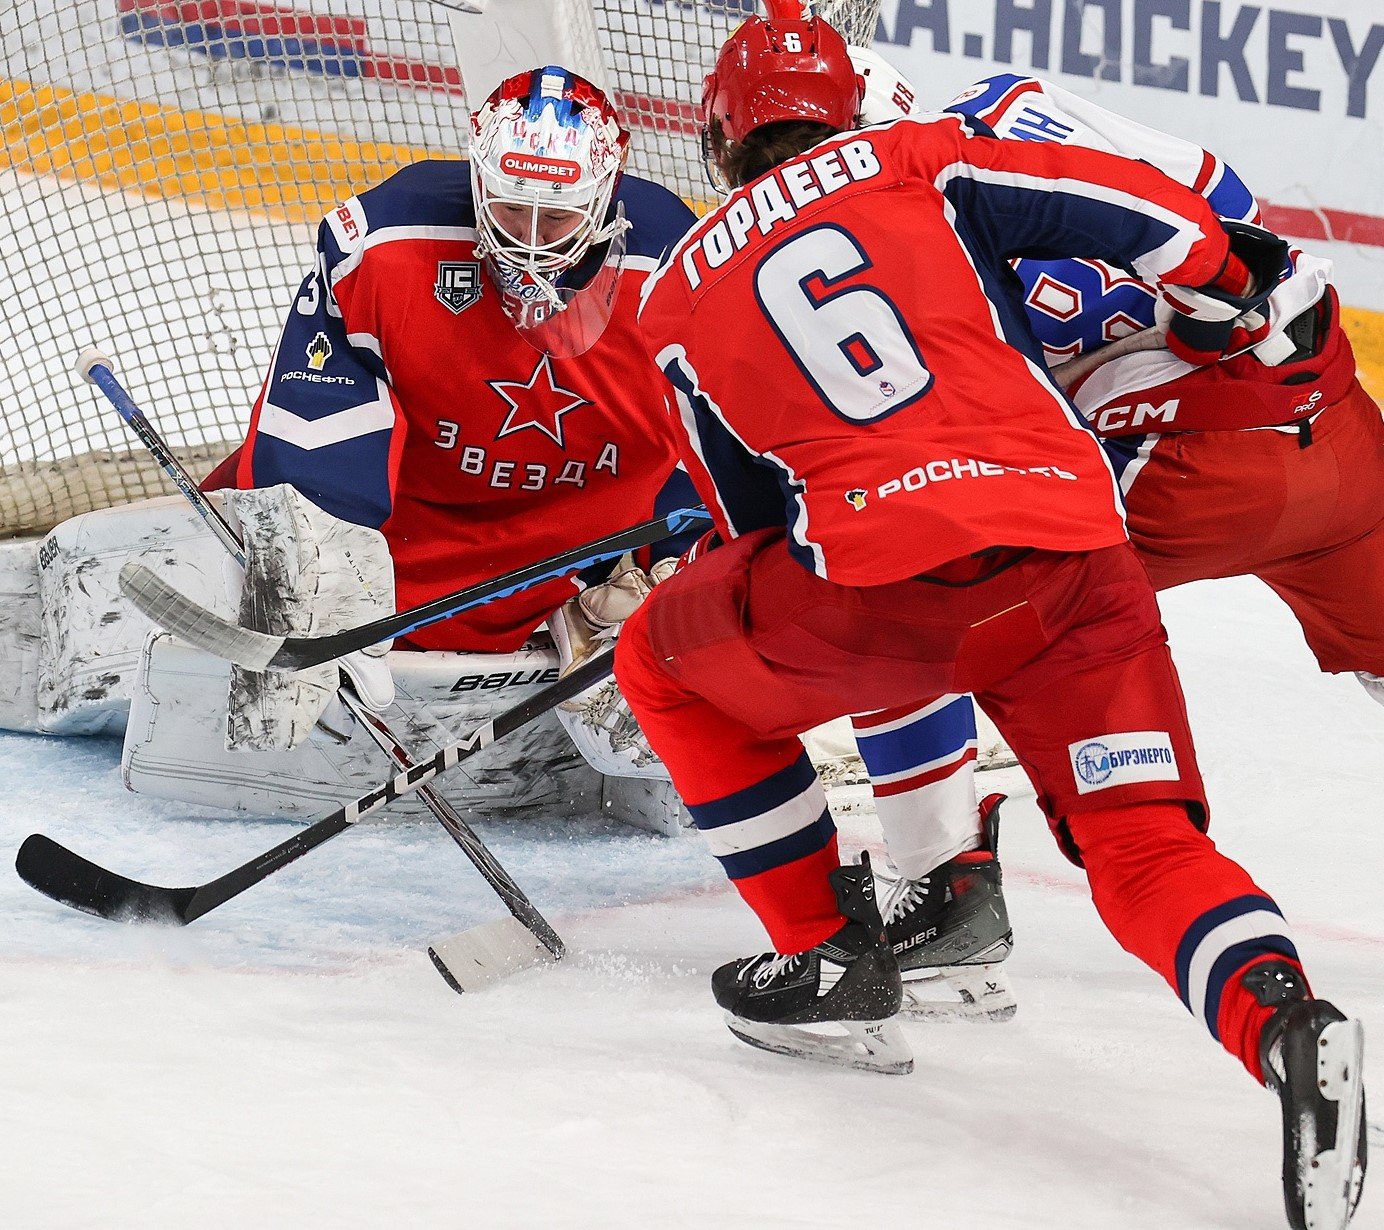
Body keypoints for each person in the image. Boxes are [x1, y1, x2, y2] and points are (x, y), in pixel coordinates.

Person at [615, 15, 1366, 1228]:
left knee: (662, 663)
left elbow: (753, 522)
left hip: (883, 597)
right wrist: (1229, 287)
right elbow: (1140, 205)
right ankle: (1283, 1026)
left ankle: (827, 952)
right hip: (1074, 562)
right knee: (1141, 848)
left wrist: (741, 576)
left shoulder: (673, 290)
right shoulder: (921, 153)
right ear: (851, 106)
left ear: (717, 139)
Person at [835, 56, 1384, 1028]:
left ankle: (946, 890)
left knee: (901, 593)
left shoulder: (878, 245)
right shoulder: (1012, 105)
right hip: (1327, 422)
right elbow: (1223, 195)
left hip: (1167, 475)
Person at [122, 65, 705, 824]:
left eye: (556, 218)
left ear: (603, 197)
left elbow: (722, 445)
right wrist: (311, 565)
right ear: (477, 180)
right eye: (510, 207)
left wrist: (677, 573)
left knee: (686, 674)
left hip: (579, 566)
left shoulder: (680, 271)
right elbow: (317, 426)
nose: (529, 243)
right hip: (399, 556)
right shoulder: (385, 242)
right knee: (241, 584)